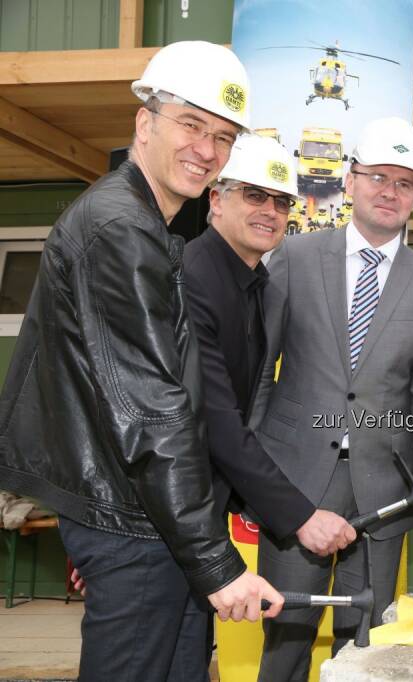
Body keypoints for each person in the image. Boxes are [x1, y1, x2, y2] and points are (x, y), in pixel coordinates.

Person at [0, 41, 283, 682]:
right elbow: (152, 411)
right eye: (190, 124)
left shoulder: (151, 225)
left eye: (223, 136)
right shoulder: (122, 231)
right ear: (144, 121)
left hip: (145, 521)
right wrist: (214, 559)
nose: (206, 151)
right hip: (137, 526)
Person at [251, 117, 413, 681]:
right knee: (286, 634)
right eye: (378, 176)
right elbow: (256, 372)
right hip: (296, 479)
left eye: (405, 182)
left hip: (381, 490)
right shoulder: (294, 258)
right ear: (350, 181)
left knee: (364, 643)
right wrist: (249, 471)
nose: (390, 191)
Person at [185, 135, 356, 559]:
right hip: (163, 511)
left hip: (199, 507)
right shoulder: (191, 279)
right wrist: (299, 515)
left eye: (282, 202)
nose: (270, 211)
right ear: (217, 200)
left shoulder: (255, 286)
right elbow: (217, 420)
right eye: (255, 195)